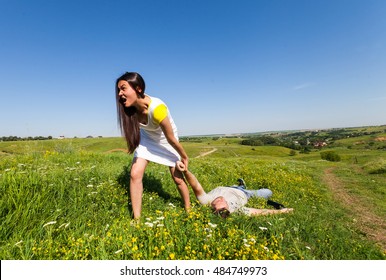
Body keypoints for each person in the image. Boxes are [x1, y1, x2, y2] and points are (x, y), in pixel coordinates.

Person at [115, 72, 190, 219]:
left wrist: (184, 157)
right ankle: (137, 220)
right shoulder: (129, 109)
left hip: (166, 139)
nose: (120, 94)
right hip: (148, 138)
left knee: (177, 178)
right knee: (135, 173)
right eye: (118, 90)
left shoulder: (157, 109)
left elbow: (171, 139)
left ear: (138, 88)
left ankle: (188, 209)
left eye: (123, 88)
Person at [176, 161, 293, 218]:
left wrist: (186, 171)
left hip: (229, 188)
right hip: (246, 194)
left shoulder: (206, 200)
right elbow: (259, 212)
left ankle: (240, 184)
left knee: (235, 187)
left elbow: (195, 185)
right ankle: (242, 186)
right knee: (268, 192)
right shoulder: (236, 211)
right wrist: (282, 211)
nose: (221, 201)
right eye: (222, 205)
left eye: (218, 204)